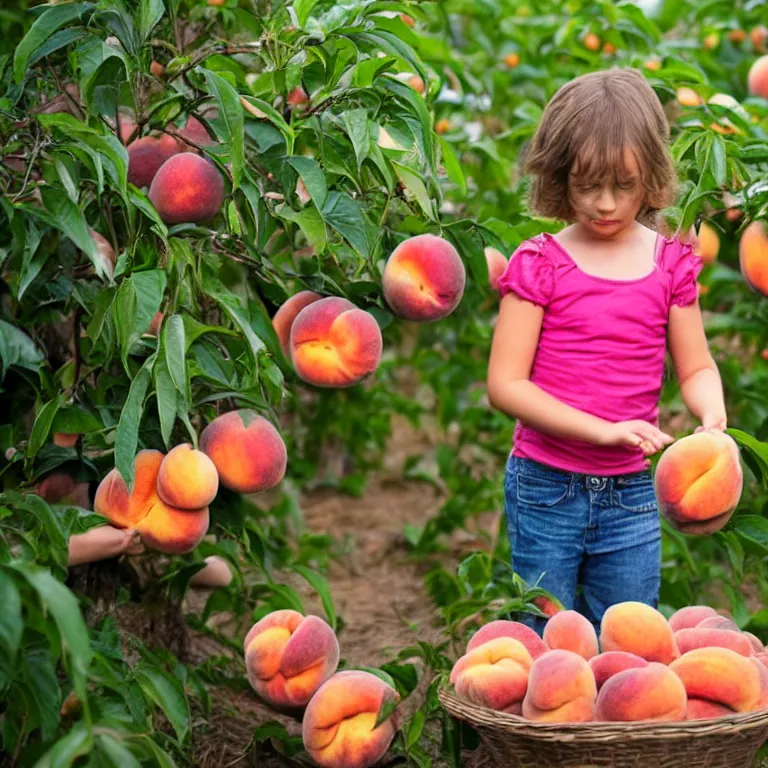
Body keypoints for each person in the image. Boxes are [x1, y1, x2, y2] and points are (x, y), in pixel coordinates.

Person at [487, 68, 728, 637]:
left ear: (652, 174)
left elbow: (695, 365)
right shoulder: (541, 261)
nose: (604, 204)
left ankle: (614, 734)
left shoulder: (668, 263)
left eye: (624, 185)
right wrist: (600, 429)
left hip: (632, 493)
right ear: (558, 176)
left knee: (629, 638)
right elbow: (506, 385)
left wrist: (711, 415)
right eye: (585, 185)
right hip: (547, 484)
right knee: (549, 640)